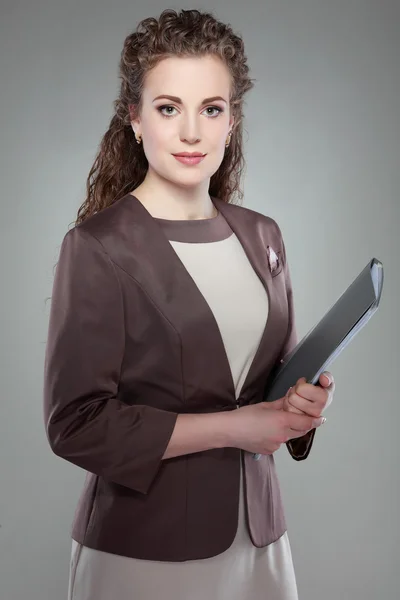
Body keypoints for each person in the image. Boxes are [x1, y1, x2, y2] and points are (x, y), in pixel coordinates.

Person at [43, 8, 335, 600]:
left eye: (212, 109)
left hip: (260, 542)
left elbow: (267, 387)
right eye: (168, 108)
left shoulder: (263, 236)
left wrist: (300, 405)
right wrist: (237, 427)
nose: (192, 133)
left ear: (233, 121)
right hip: (144, 548)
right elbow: (76, 424)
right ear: (134, 117)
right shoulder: (98, 247)